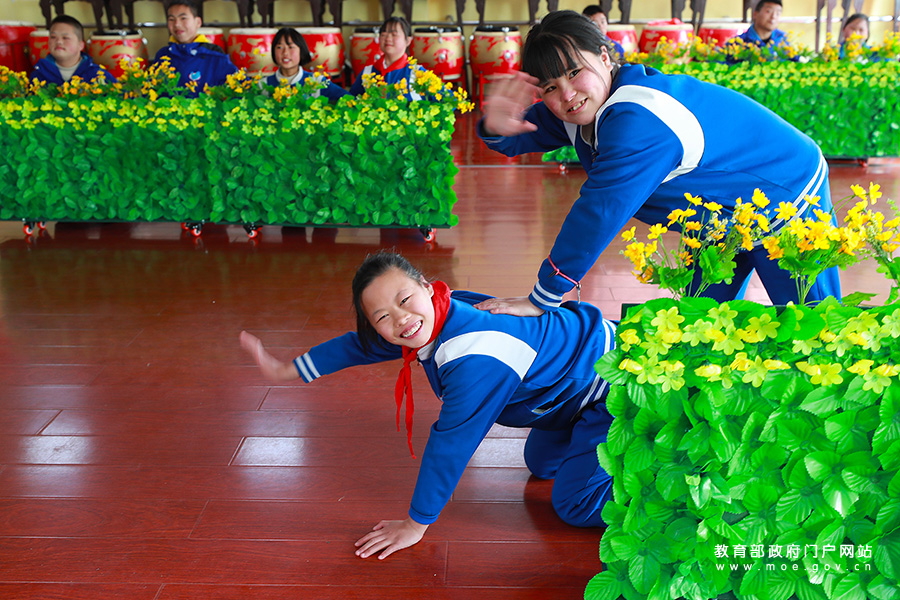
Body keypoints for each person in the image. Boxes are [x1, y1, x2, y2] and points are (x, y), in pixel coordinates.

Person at [239, 250, 617, 559]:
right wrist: (287, 369)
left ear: (424, 284)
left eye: (404, 300)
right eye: (383, 316)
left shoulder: (476, 358)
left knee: (575, 503)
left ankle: (653, 497)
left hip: (617, 385)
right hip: (572, 392)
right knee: (542, 464)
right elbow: (360, 346)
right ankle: (588, 435)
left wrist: (415, 524)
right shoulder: (438, 307)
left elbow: (450, 446)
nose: (401, 318)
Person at [477, 10, 839, 316]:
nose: (567, 94)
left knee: (813, 329)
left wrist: (543, 297)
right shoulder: (581, 106)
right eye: (550, 87)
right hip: (721, 216)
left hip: (788, 197)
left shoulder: (639, 119)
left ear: (605, 57)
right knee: (701, 325)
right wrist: (496, 125)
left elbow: (601, 210)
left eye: (574, 72)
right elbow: (524, 130)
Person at [153, 0, 238, 97]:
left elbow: (238, 89)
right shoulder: (163, 55)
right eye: (171, 19)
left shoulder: (215, 55)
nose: (177, 24)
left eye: (183, 18)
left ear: (198, 22)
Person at [261, 28, 347, 102]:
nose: (285, 53)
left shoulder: (316, 82)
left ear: (301, 50)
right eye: (279, 47)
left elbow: (348, 99)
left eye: (291, 47)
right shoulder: (263, 85)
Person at [349, 16, 425, 100]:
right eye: (384, 35)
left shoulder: (418, 73)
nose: (388, 38)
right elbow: (351, 101)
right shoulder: (367, 73)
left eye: (394, 35)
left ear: (408, 40)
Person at [30, 15, 116, 85]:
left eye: (65, 38)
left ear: (81, 45)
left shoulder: (98, 75)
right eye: (53, 37)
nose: (59, 41)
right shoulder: (39, 75)